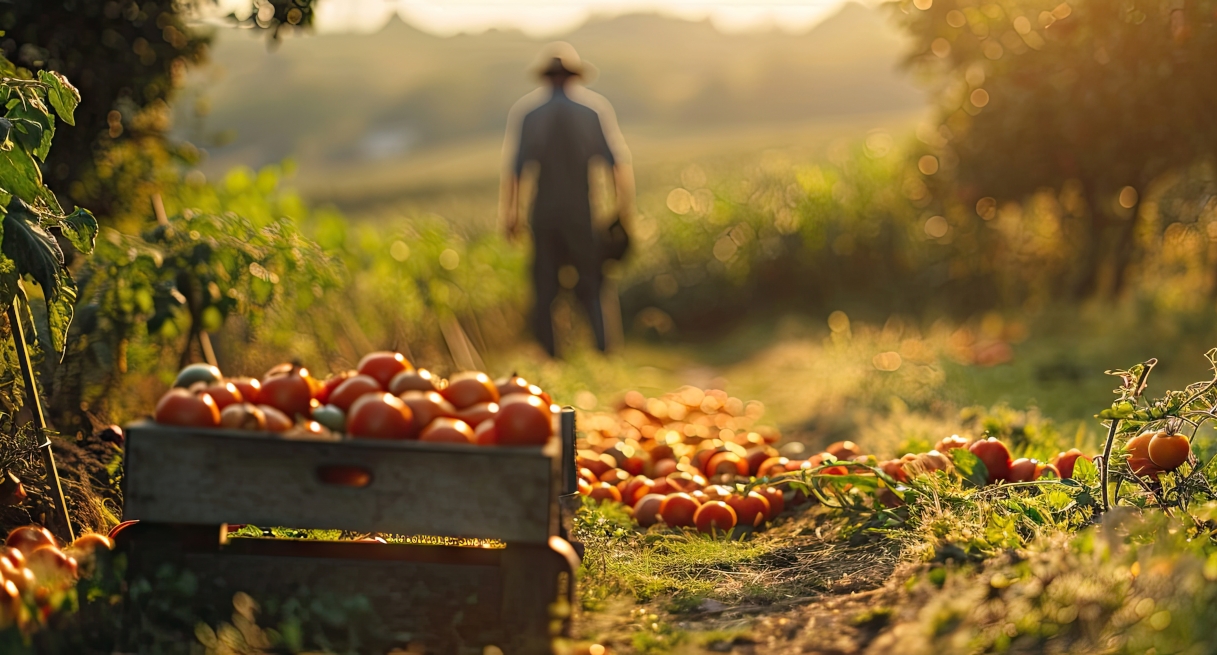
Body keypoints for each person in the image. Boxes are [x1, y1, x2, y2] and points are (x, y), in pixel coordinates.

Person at [500, 42, 635, 357]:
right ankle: (603, 350)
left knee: (545, 286)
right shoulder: (591, 111)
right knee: (592, 280)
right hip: (581, 211)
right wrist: (623, 210)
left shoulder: (529, 114)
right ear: (574, 76)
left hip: (544, 212)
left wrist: (511, 215)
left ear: (546, 78)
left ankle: (551, 355)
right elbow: (617, 163)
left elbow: (515, 172)